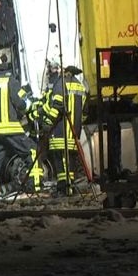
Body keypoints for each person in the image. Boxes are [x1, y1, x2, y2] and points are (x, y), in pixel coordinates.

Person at [0, 56, 40, 199]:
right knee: (32, 151)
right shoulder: (9, 80)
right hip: (9, 128)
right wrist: (31, 104)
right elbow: (23, 104)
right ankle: (34, 185)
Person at [32, 63, 88, 197]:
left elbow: (57, 105)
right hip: (74, 131)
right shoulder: (80, 86)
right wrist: (78, 123)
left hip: (60, 130)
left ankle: (63, 188)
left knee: (60, 160)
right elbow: (85, 111)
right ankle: (70, 187)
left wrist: (47, 122)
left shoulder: (60, 83)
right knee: (70, 162)